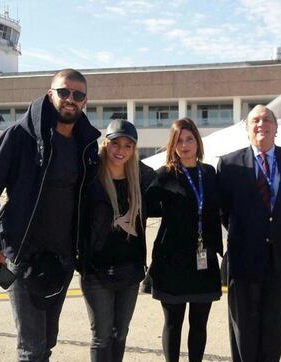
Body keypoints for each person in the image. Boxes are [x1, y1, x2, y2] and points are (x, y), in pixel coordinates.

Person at [0, 68, 101, 361]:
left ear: (84, 101)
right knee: (32, 349)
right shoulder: (19, 137)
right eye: (63, 92)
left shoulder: (86, 144)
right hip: (23, 256)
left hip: (63, 259)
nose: (70, 99)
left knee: (46, 341)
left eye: (77, 95)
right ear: (49, 94)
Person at [217, 105, 281, 362]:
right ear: (247, 129)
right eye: (255, 120)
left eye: (267, 119)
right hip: (244, 260)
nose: (261, 124)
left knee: (273, 329)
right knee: (244, 330)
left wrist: (274, 229)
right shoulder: (230, 164)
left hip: (280, 259)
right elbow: (225, 212)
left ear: (276, 128)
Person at [146, 117, 223, 362]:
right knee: (173, 323)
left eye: (189, 139)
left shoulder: (209, 173)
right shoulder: (164, 176)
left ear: (198, 142)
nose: (185, 145)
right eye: (179, 140)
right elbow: (143, 207)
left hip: (204, 260)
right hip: (173, 262)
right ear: (173, 145)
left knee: (199, 323)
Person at [79, 119, 155, 362]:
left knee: (120, 334)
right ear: (105, 144)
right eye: (115, 144)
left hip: (130, 271)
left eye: (127, 146)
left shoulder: (141, 178)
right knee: (102, 336)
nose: (120, 151)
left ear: (134, 150)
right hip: (95, 271)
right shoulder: (89, 177)